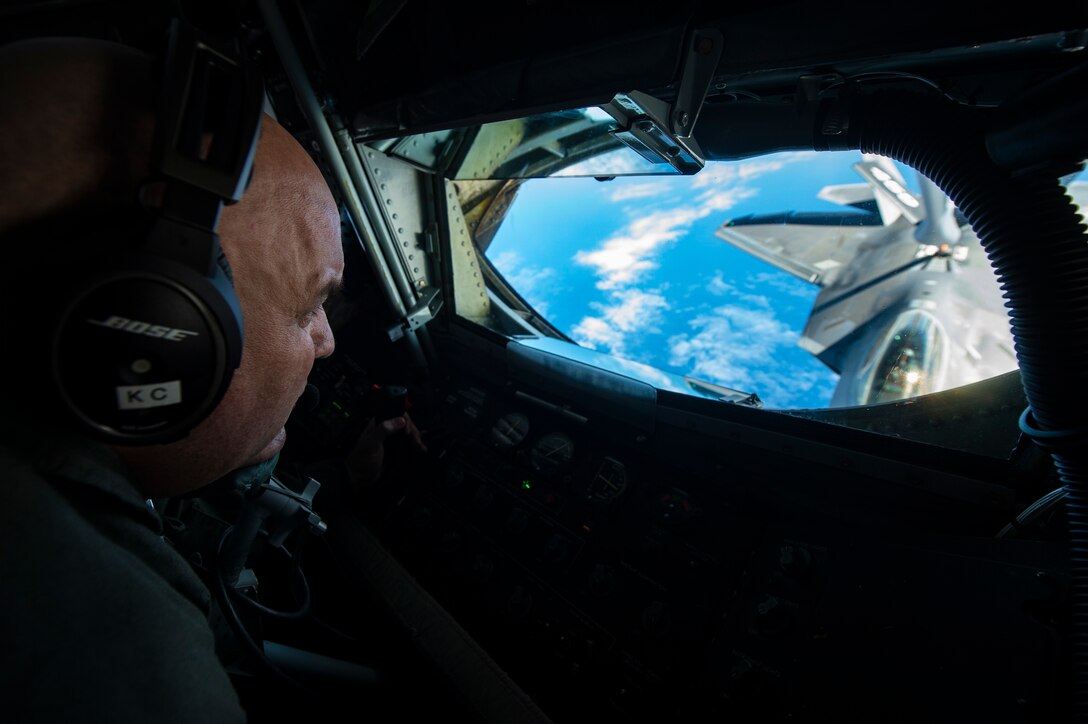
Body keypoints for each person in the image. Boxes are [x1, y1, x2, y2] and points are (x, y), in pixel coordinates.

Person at [0, 33, 421, 722]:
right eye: (313, 301)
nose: (327, 340)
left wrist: (347, 476)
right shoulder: (113, 658)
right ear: (159, 323)